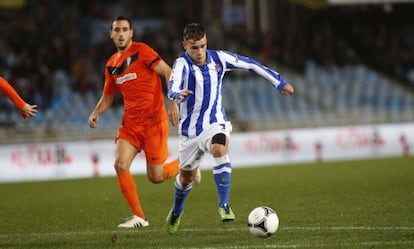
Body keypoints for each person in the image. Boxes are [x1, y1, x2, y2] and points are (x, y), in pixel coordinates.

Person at [165, 23, 294, 234]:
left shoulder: (219, 59)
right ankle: (177, 213)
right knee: (186, 178)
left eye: (202, 46)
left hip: (216, 122)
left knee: (219, 149)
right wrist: (175, 95)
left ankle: (224, 206)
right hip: (189, 132)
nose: (199, 52)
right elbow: (173, 84)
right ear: (184, 45)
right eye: (193, 48)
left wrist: (279, 82)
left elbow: (250, 64)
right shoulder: (181, 64)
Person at [88, 16, 180, 228]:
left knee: (156, 177)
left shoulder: (142, 51)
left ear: (131, 33)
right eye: (117, 30)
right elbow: (108, 96)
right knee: (120, 165)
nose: (121, 33)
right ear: (111, 34)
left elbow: (168, 72)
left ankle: (185, 166)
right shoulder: (111, 64)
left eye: (125, 29)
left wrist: (172, 103)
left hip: (153, 122)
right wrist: (96, 112)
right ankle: (139, 217)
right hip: (130, 124)